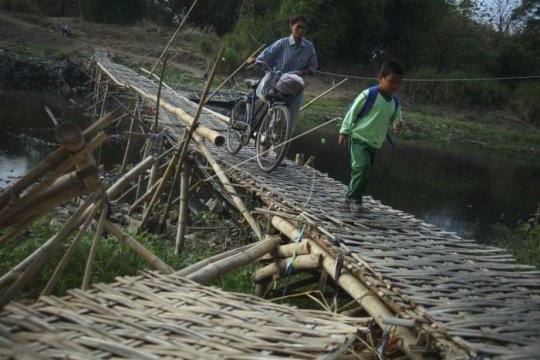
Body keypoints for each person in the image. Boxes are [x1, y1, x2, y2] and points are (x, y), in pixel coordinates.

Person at [338, 59, 404, 215]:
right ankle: (356, 200)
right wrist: (344, 131)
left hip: (375, 144)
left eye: (398, 83)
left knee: (366, 172)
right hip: (359, 138)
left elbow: (397, 118)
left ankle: (349, 200)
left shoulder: (394, 101)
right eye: (391, 82)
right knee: (361, 168)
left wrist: (398, 123)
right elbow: (352, 113)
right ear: (380, 78)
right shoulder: (369, 94)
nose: (395, 86)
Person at [248, 14, 317, 132]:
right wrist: (255, 59)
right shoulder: (282, 43)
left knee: (290, 126)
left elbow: (312, 68)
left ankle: (280, 148)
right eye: (298, 27)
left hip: (296, 88)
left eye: (303, 28)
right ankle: (265, 145)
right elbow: (265, 55)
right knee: (277, 121)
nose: (301, 30)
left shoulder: (309, 47)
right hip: (278, 86)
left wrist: (301, 72)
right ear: (291, 26)